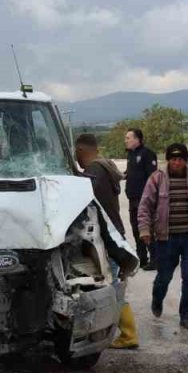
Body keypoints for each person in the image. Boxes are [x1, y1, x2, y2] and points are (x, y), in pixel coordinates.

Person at [137, 143, 188, 331]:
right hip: (165, 238)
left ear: (185, 160)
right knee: (164, 276)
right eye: (173, 159)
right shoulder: (156, 178)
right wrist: (145, 230)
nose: (176, 163)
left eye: (179, 159)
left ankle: (187, 316)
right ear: (168, 160)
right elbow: (145, 206)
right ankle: (157, 298)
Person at [74, 134, 137, 350]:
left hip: (106, 239)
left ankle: (129, 335)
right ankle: (126, 332)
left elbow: (83, 202)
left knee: (110, 287)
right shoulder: (104, 168)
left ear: (81, 150)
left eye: (76, 152)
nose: (75, 157)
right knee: (112, 284)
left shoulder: (94, 173)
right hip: (113, 234)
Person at [124, 128, 158, 271]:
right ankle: (142, 259)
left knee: (147, 229)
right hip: (133, 198)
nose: (126, 140)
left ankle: (156, 259)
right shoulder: (131, 155)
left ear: (137, 139)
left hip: (144, 200)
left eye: (128, 138)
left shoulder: (147, 154)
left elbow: (153, 177)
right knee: (136, 230)